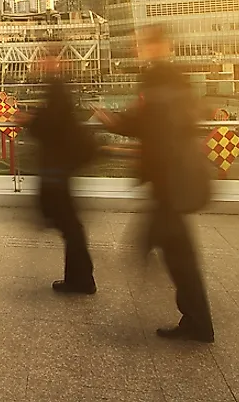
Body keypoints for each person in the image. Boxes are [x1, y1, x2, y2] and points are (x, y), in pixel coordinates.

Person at [95, 25, 214, 342]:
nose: (138, 49)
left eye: (142, 44)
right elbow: (173, 121)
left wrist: (117, 123)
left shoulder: (158, 79)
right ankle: (197, 319)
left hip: (168, 177)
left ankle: (197, 321)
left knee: (177, 252)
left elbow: (153, 124)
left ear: (157, 46)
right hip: (175, 175)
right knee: (179, 250)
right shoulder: (177, 78)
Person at [20, 47, 97, 294]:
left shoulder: (58, 88)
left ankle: (82, 279)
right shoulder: (57, 87)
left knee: (69, 224)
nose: (44, 63)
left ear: (58, 62)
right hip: (61, 163)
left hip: (58, 164)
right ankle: (80, 278)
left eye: (48, 59)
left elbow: (53, 123)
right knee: (70, 223)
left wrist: (29, 120)